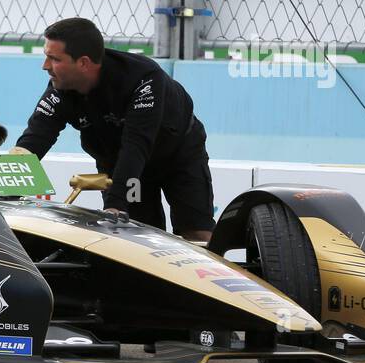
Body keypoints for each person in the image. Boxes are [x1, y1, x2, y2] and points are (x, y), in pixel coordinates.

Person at [13, 17, 214, 241]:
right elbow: (33, 140)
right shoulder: (60, 88)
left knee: (197, 233)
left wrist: (115, 205)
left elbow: (136, 144)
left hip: (177, 156)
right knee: (138, 235)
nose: (45, 66)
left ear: (84, 63)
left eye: (54, 59)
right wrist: (0, 189)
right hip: (120, 163)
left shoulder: (144, 78)